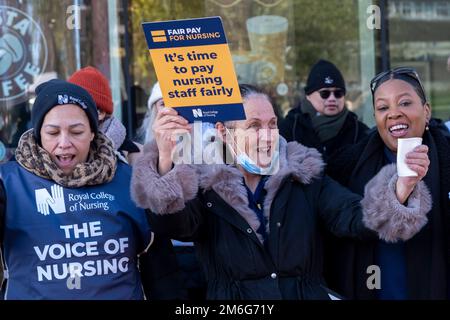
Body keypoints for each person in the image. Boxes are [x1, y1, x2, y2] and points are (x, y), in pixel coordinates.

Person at [131, 84, 432, 300]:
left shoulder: (304, 174)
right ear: (224, 132)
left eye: (272, 124)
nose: (267, 135)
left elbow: (355, 217)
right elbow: (173, 226)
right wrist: (166, 159)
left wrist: (402, 186)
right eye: (254, 126)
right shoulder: (204, 183)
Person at [0, 79, 181, 300]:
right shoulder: (8, 184)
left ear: (93, 133)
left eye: (76, 131)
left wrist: (165, 165)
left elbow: (163, 269)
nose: (64, 142)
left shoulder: (129, 179)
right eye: (53, 132)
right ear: (38, 135)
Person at [325, 67, 450, 299]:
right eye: (383, 107)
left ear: (427, 111)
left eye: (404, 103)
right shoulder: (346, 168)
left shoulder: (446, 158)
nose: (393, 113)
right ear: (376, 118)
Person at [138, 82, 207, 300]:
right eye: (163, 104)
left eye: (179, 105)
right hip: (165, 266)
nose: (172, 112)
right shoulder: (139, 156)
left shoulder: (214, 152)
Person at [279, 59, 370, 161]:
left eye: (338, 93)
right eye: (325, 94)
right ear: (309, 95)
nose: (332, 99)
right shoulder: (290, 128)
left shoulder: (359, 131)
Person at [68, 66, 142, 165]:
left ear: (101, 113)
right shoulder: (57, 150)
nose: (69, 112)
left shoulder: (136, 156)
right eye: (67, 105)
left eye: (79, 105)